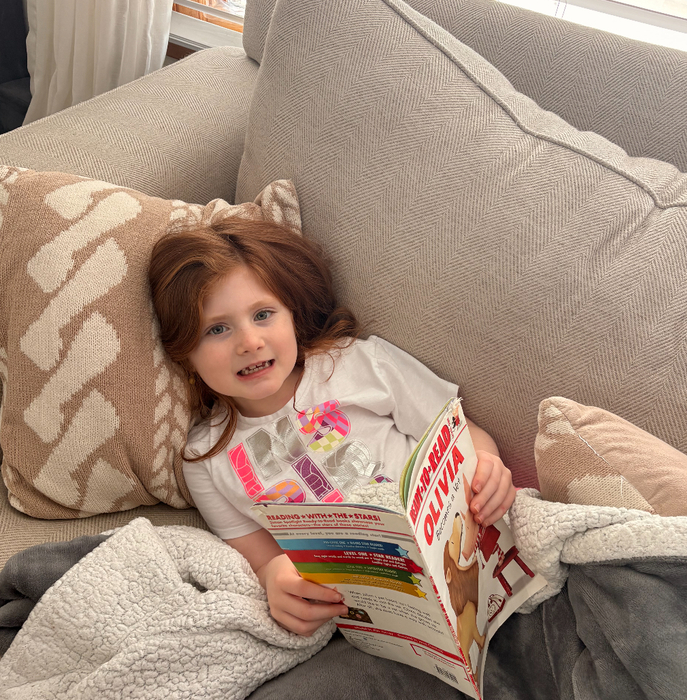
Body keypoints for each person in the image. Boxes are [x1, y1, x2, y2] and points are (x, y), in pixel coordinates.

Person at [148, 216, 515, 636]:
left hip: (467, 547)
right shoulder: (205, 460)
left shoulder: (357, 363)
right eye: (217, 328)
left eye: (263, 314)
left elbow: (463, 431)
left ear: (292, 314)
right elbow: (263, 560)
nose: (249, 341)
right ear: (184, 351)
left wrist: (487, 464)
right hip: (378, 616)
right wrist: (275, 581)